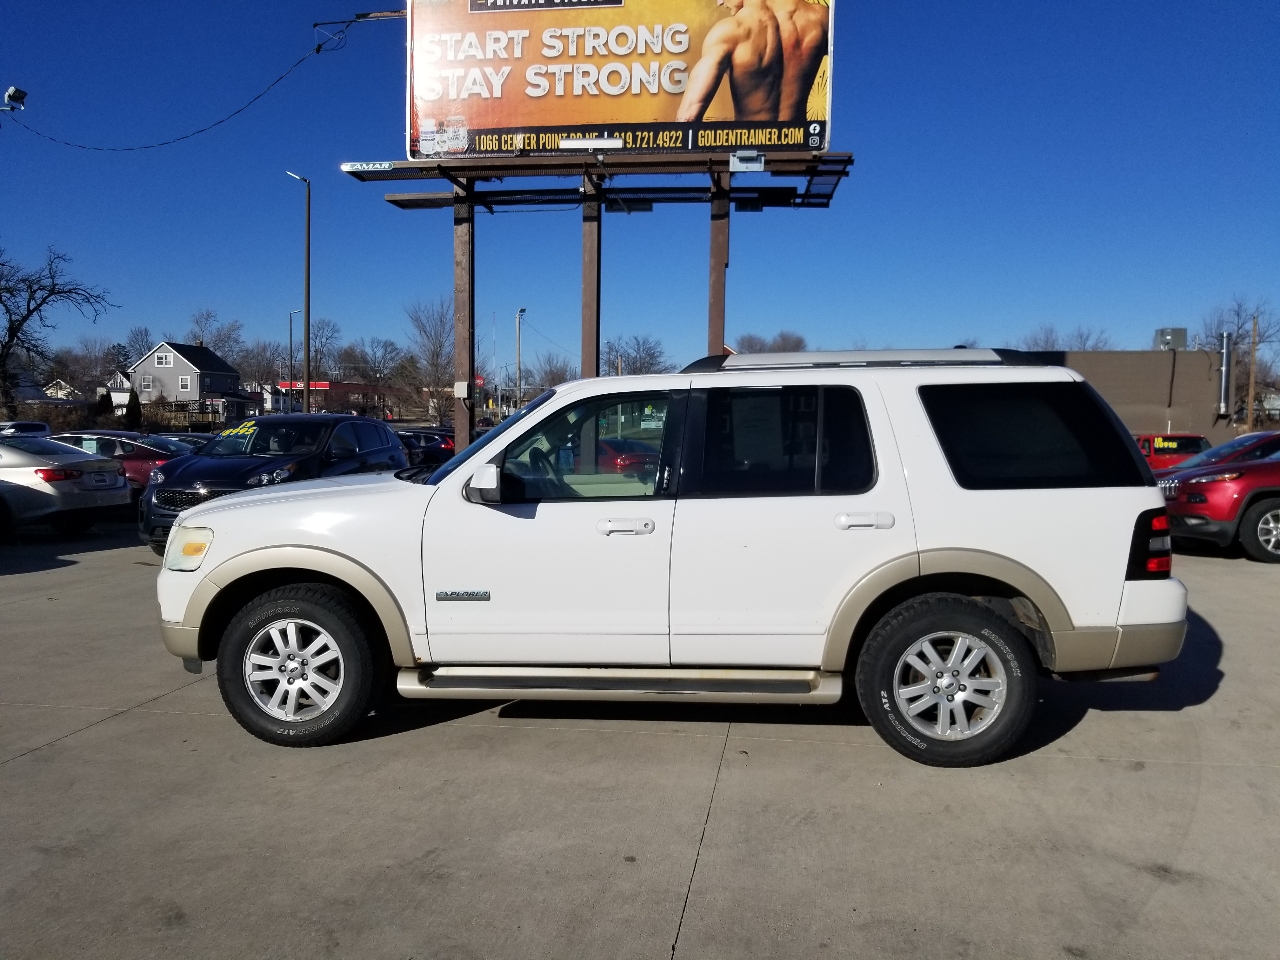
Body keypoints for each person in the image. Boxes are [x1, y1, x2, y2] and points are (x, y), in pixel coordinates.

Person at [676, 0, 829, 123]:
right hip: (798, 154)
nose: (719, 2)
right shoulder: (821, 17)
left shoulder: (730, 31)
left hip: (747, 155)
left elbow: (688, 117)